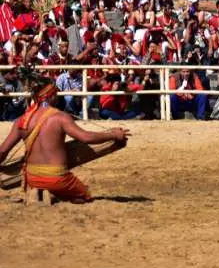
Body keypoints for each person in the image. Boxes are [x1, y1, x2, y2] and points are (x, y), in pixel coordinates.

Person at [0, 73, 129, 203]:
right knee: (84, 195)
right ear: (51, 95)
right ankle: (53, 193)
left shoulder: (22, 120)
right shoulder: (60, 117)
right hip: (57, 178)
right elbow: (86, 137)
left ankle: (39, 191)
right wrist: (113, 134)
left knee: (42, 182)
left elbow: (3, 151)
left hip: (32, 177)